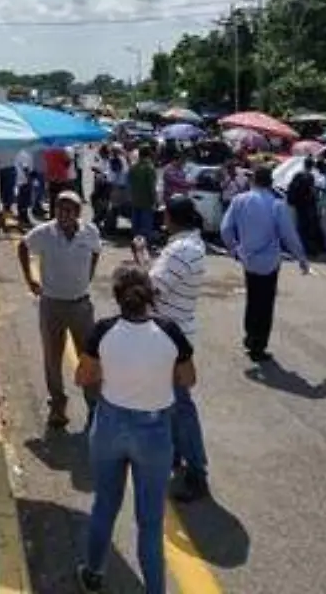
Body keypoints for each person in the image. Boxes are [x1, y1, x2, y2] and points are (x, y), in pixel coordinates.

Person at [74, 264, 195, 594]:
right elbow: (189, 378)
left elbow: (82, 377)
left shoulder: (103, 331)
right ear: (149, 297)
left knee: (105, 506)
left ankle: (94, 573)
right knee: (150, 523)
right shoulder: (170, 331)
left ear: (117, 297)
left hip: (110, 424)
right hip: (154, 431)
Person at [133, 196, 210, 502]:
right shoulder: (186, 244)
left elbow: (151, 291)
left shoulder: (182, 250)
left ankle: (196, 471)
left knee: (179, 406)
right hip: (173, 330)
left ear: (172, 218)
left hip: (170, 336)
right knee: (170, 402)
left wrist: (140, 256)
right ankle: (177, 455)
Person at [18, 190, 103, 430]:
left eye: (69, 210)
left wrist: (89, 275)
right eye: (59, 209)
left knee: (88, 356)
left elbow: (96, 252)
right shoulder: (44, 233)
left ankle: (94, 405)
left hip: (80, 304)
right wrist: (30, 280)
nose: (63, 214)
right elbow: (23, 246)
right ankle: (57, 404)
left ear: (78, 213)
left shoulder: (90, 232)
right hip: (52, 304)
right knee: (52, 358)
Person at [220, 166, 308, 362]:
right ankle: (258, 346)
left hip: (248, 259)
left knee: (252, 299)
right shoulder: (277, 204)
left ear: (253, 181)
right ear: (270, 183)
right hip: (269, 261)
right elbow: (289, 235)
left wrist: (234, 249)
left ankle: (250, 337)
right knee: (265, 304)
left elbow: (225, 229)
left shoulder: (239, 200)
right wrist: (301, 258)